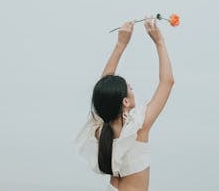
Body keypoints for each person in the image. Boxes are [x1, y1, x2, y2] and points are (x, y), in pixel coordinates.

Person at [75, 15, 175, 191]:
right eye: (129, 87)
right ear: (126, 102)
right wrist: (159, 42)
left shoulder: (100, 129)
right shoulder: (137, 128)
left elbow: (104, 89)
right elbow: (167, 82)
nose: (131, 87)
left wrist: (121, 44)